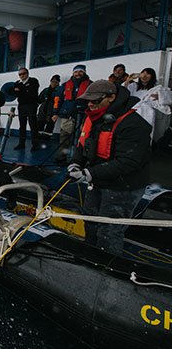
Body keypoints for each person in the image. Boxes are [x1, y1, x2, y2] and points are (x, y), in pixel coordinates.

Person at [67, 80, 151, 255]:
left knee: (110, 230)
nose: (90, 105)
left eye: (95, 101)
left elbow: (128, 162)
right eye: (88, 101)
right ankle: (90, 254)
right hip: (97, 181)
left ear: (111, 98)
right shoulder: (93, 118)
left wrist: (88, 173)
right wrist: (76, 163)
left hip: (123, 186)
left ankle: (107, 264)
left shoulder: (133, 123)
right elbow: (83, 146)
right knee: (90, 219)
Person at [51, 64, 92, 163]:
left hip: (83, 115)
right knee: (64, 137)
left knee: (82, 137)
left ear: (84, 72)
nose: (78, 74)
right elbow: (58, 99)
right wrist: (55, 112)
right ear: (73, 73)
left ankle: (78, 158)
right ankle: (62, 156)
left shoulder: (90, 84)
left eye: (80, 71)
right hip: (67, 115)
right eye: (76, 72)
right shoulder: (65, 85)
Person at [124, 67, 172, 142]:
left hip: (146, 114)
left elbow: (168, 98)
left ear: (152, 76)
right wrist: (127, 81)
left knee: (144, 136)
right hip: (132, 113)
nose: (145, 76)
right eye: (143, 74)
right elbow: (122, 93)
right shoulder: (133, 86)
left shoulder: (157, 89)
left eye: (148, 74)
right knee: (130, 135)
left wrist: (160, 97)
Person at [12, 68, 40, 151]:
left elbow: (32, 92)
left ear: (27, 73)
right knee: (22, 125)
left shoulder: (33, 81)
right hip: (21, 106)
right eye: (20, 74)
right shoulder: (17, 83)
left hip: (31, 105)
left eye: (23, 73)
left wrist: (21, 90)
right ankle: (21, 143)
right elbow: (14, 93)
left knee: (33, 124)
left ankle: (35, 144)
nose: (22, 76)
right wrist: (23, 91)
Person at [37, 74, 61, 138]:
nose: (54, 83)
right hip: (42, 111)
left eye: (56, 82)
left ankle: (46, 140)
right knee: (39, 125)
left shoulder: (60, 91)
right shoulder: (46, 90)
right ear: (50, 82)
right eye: (53, 81)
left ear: (58, 82)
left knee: (49, 127)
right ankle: (38, 138)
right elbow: (39, 99)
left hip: (52, 112)